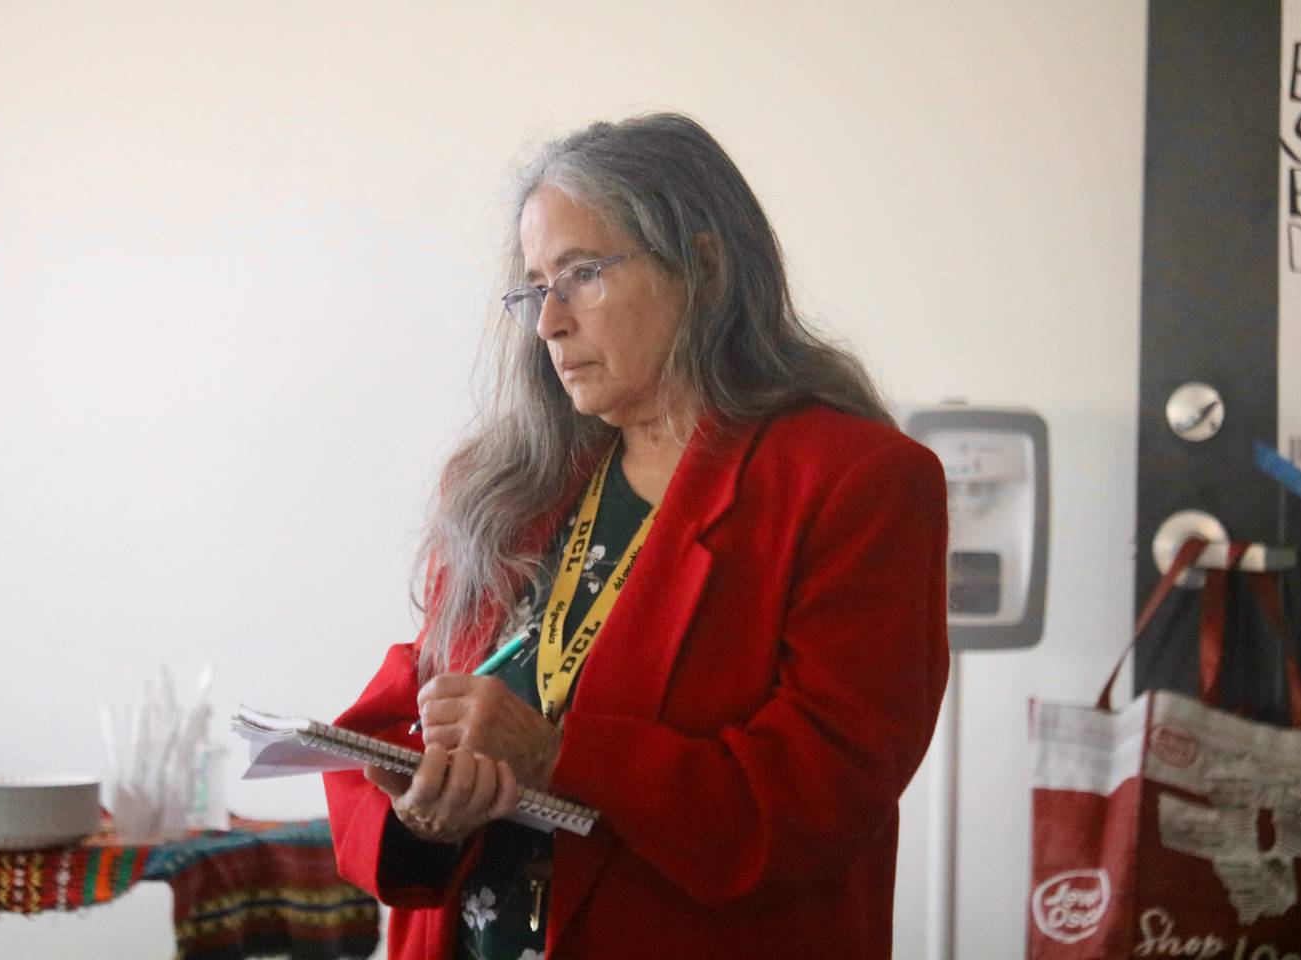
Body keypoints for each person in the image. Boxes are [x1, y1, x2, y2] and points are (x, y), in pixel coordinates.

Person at [323, 113, 949, 960]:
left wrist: (557, 755)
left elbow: (811, 806)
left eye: (582, 274)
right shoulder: (504, 485)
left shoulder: (853, 481)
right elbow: (411, 707)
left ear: (706, 266)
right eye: (535, 286)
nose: (548, 321)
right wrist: (418, 808)